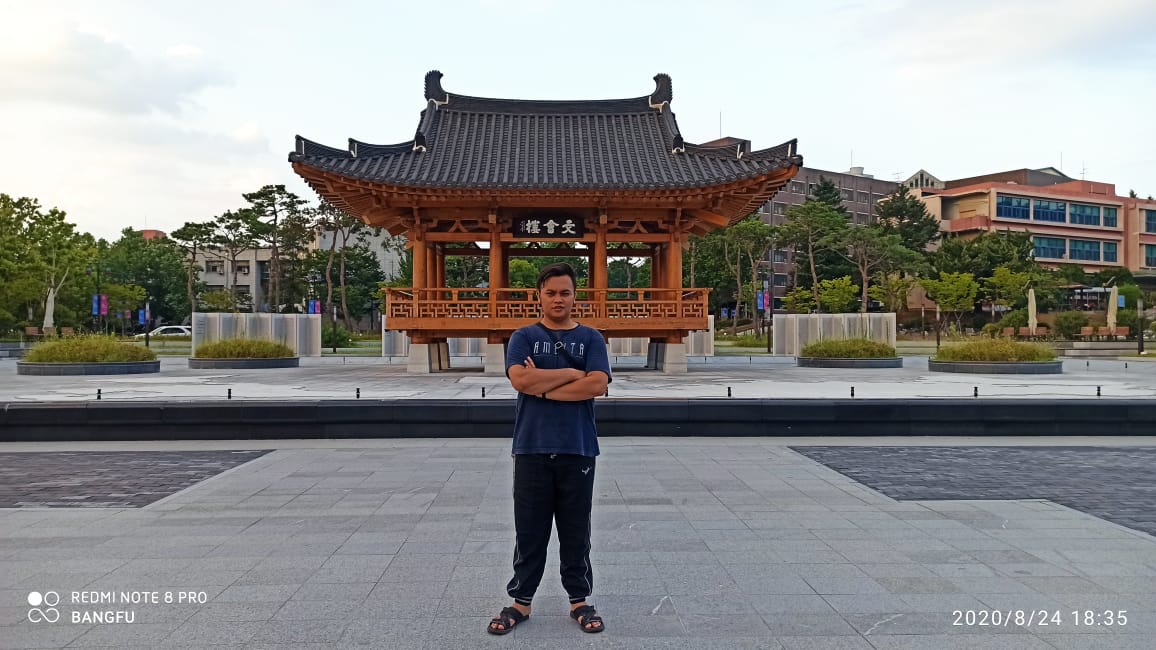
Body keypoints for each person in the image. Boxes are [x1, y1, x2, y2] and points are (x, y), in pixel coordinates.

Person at [487, 262, 611, 635]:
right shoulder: (523, 336)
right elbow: (519, 379)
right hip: (532, 448)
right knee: (530, 530)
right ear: (538, 296)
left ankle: (579, 600)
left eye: (565, 292)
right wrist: (572, 374)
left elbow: (596, 386)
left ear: (576, 296)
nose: (558, 299)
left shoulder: (591, 338)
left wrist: (542, 383)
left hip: (577, 447)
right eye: (551, 292)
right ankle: (520, 602)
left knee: (576, 530)